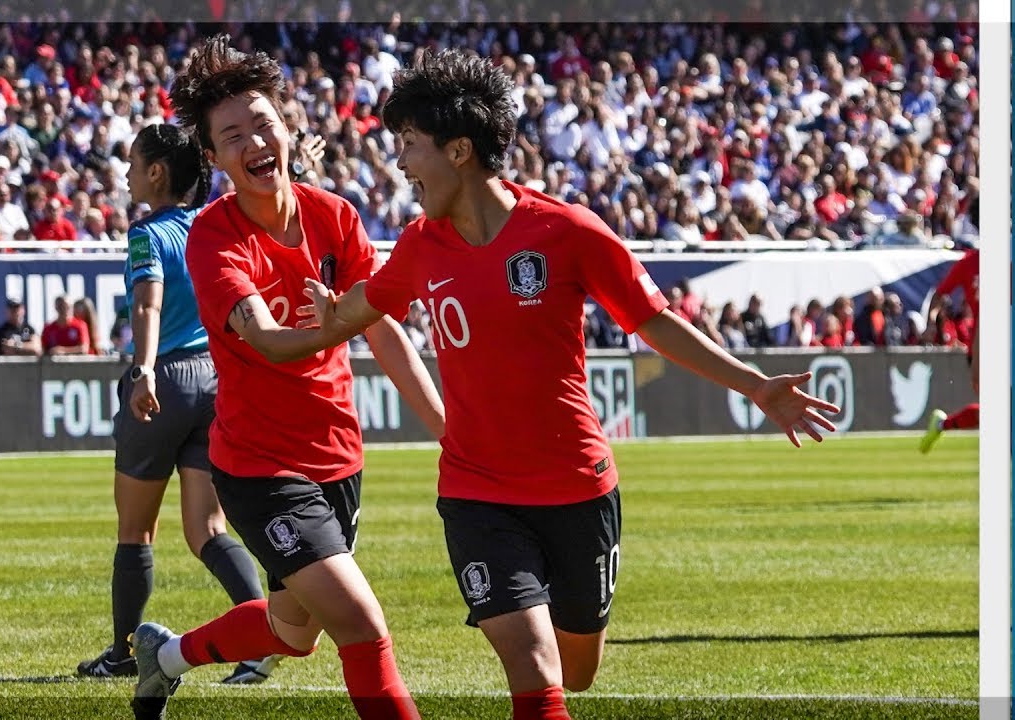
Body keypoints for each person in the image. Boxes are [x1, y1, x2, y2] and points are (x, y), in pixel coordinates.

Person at [305, 49, 839, 720]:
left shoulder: (566, 230)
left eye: (411, 146)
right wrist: (332, 315)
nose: (403, 165)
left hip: (578, 490)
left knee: (575, 672)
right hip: (476, 494)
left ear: (461, 149)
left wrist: (755, 385)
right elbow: (367, 302)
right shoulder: (420, 242)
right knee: (532, 668)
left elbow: (656, 322)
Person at [129, 35, 444, 720]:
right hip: (262, 472)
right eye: (232, 135)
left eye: (263, 123)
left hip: (338, 462)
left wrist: (451, 431)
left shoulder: (335, 217)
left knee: (292, 633)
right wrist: (341, 322)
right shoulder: (214, 237)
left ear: (288, 126)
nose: (253, 141)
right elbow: (270, 343)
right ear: (212, 159)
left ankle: (165, 656)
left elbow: (384, 328)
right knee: (361, 625)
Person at [76, 123, 280, 686]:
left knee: (135, 531)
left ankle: (122, 655)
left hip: (163, 378)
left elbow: (147, 304)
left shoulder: (149, 234)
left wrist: (142, 370)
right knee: (208, 529)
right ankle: (261, 640)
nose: (128, 173)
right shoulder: (214, 225)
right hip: (217, 379)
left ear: (158, 173)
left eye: (135, 163)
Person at [921, 247, 979, 452]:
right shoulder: (969, 262)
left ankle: (942, 424)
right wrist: (930, 323)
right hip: (983, 343)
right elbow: (939, 295)